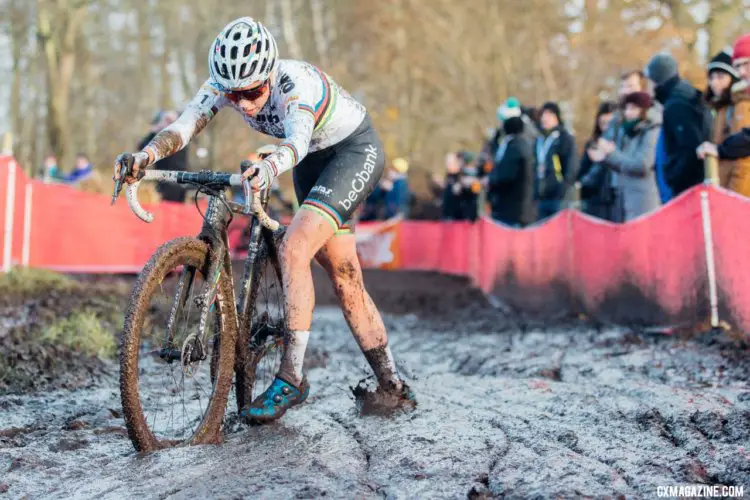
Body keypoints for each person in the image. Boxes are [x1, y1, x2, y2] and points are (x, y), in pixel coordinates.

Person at [114, 17, 415, 423]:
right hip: (311, 162)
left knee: (295, 247)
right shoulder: (226, 83)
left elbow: (296, 143)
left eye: (253, 92)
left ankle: (292, 377)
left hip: (350, 151)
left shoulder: (294, 86)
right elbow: (184, 127)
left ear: (269, 74)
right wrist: (145, 156)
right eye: (234, 96)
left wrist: (270, 165)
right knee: (344, 275)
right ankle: (391, 384)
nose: (245, 104)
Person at [645, 53, 712, 197]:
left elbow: (689, 146)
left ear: (656, 80)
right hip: (695, 181)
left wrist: (674, 178)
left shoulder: (676, 104)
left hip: (688, 187)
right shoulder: (686, 94)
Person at [588, 92, 661, 221]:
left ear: (644, 109)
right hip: (625, 199)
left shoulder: (652, 130)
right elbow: (623, 164)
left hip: (643, 201)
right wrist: (605, 157)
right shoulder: (627, 130)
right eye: (626, 108)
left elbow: (642, 165)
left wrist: (611, 153)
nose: (628, 113)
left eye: (633, 108)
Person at [697, 35, 750, 176]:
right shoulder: (716, 107)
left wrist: (720, 150)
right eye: (738, 66)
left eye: (746, 64)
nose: (742, 72)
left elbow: (744, 162)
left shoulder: (741, 105)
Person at [486, 113, 534, 226]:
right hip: (519, 207)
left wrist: (490, 181)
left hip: (511, 207)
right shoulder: (522, 145)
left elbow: (506, 174)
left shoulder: (514, 147)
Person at [534, 102, 578, 220]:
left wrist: (563, 188)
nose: (545, 118)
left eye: (549, 115)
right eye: (543, 115)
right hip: (541, 196)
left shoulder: (565, 138)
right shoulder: (539, 139)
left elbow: (571, 167)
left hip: (559, 197)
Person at [138, 110, 189, 203]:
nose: (168, 123)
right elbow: (142, 148)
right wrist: (155, 130)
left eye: (170, 121)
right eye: (167, 120)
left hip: (178, 182)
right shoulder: (158, 137)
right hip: (162, 182)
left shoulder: (180, 136)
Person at [577, 101, 617, 220]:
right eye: (602, 123)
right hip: (594, 200)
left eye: (609, 123)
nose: (605, 127)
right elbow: (582, 173)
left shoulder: (620, 143)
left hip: (614, 198)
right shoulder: (592, 144)